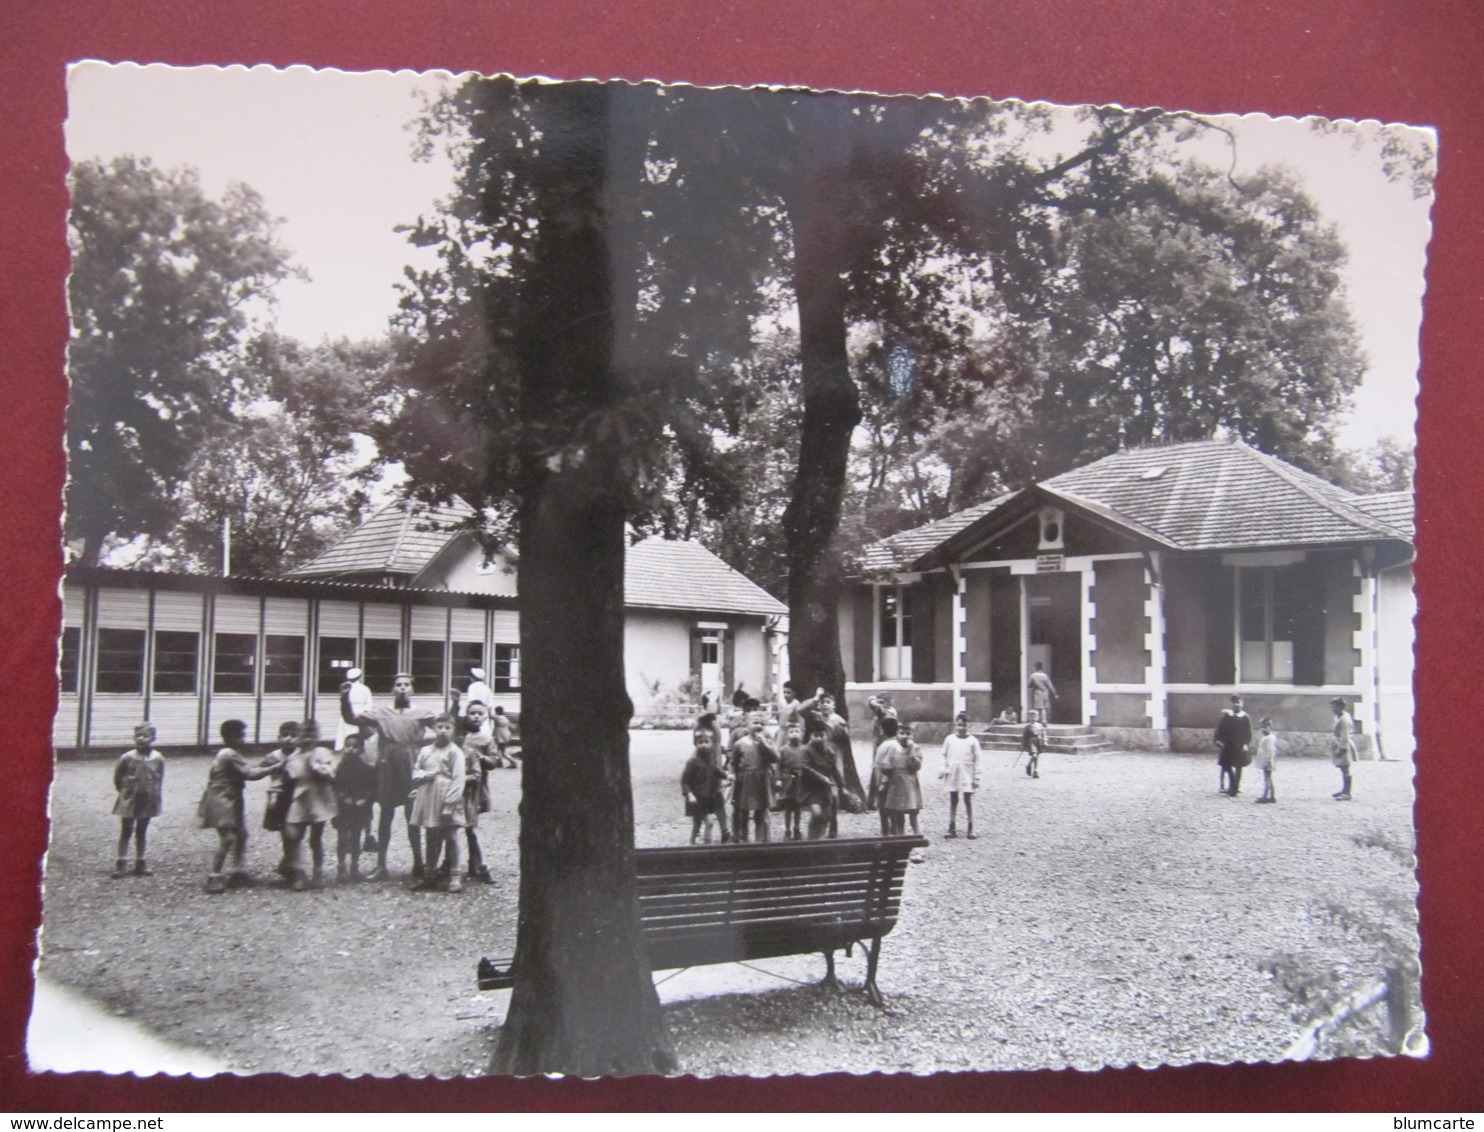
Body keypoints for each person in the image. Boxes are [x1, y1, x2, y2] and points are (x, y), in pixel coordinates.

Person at [342, 672, 437, 880]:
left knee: (413, 817)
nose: (402, 688)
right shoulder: (381, 713)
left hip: (411, 767)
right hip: (387, 767)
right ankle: (381, 865)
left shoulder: (422, 713)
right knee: (385, 815)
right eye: (398, 685)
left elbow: (445, 728)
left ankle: (418, 863)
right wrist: (344, 698)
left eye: (406, 685)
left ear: (412, 689)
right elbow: (351, 718)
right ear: (392, 689)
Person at [197, 718, 276, 892]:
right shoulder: (229, 754)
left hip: (230, 798)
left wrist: (263, 765)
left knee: (241, 834)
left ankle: (238, 871)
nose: (243, 740)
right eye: (240, 736)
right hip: (223, 800)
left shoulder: (227, 754)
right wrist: (274, 768)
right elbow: (250, 774)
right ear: (230, 737)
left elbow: (246, 767)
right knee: (228, 839)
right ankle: (214, 875)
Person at [408, 713, 468, 892]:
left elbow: (458, 779)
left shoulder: (455, 752)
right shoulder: (426, 751)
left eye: (447, 728)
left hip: (446, 796)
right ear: (433, 729)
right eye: (439, 727)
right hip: (429, 795)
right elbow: (416, 770)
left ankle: (455, 876)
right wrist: (423, 776)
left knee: (452, 836)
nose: (443, 731)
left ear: (453, 730)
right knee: (431, 835)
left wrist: (450, 804)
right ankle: (430, 875)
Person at [280, 720, 338, 891]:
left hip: (318, 799)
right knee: (293, 836)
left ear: (317, 736)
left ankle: (318, 872)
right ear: (298, 737)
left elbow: (332, 775)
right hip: (299, 799)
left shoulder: (322, 753)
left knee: (315, 839)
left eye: (312, 735)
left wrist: (320, 768)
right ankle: (299, 872)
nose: (308, 739)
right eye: (304, 735)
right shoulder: (293, 757)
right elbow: (288, 779)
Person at [111, 723, 165, 878]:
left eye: (146, 735)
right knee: (126, 829)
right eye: (138, 735)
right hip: (129, 798)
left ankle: (140, 862)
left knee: (142, 830)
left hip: (147, 800)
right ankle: (121, 862)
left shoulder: (158, 758)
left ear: (153, 738)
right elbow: (118, 778)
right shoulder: (127, 757)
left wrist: (154, 795)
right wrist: (125, 792)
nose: (141, 739)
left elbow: (159, 778)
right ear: (134, 738)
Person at [455, 700, 499, 883]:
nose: (475, 716)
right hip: (459, 786)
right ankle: (458, 863)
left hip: (476, 788)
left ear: (485, 716)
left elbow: (495, 762)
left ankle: (480, 865)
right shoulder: (460, 738)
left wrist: (481, 757)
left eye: (480, 713)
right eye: (472, 713)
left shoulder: (487, 739)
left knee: (472, 827)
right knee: (458, 826)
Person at [331, 730, 378, 882]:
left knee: (356, 839)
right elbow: (336, 787)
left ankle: (355, 867)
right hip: (344, 808)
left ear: (361, 750)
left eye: (355, 747)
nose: (350, 749)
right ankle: (341, 867)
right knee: (342, 838)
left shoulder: (366, 769)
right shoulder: (340, 768)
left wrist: (364, 799)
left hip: (359, 808)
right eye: (348, 746)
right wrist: (344, 798)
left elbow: (372, 788)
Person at [728, 707, 778, 842]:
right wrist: (732, 774)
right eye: (755, 723)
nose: (758, 726)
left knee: (761, 811)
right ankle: (742, 840)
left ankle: (761, 841)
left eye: (762, 723)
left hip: (762, 780)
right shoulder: (740, 743)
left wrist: (765, 744)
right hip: (745, 780)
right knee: (743, 811)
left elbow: (775, 758)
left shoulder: (768, 741)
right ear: (747, 724)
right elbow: (733, 762)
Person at [681, 726, 731, 844]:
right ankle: (703, 846)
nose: (703, 745)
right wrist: (689, 794)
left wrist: (726, 775)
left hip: (708, 797)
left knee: (699, 823)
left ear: (712, 744)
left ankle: (696, 844)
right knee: (707, 822)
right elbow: (685, 780)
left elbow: (716, 771)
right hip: (697, 798)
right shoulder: (692, 761)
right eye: (700, 742)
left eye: (706, 742)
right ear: (695, 744)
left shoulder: (711, 758)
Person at [799, 715, 845, 840]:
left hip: (825, 788)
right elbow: (805, 768)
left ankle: (820, 839)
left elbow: (834, 770)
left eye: (821, 735)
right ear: (810, 736)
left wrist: (842, 786)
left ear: (826, 735)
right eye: (816, 735)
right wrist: (822, 777)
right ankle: (811, 838)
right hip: (810, 788)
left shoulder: (829, 752)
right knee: (817, 813)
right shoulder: (806, 750)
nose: (819, 738)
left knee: (827, 815)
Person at [940, 713, 982, 839]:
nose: (962, 728)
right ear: (955, 725)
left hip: (967, 773)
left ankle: (971, 827)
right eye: (959, 725)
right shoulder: (949, 739)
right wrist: (943, 769)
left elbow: (978, 760)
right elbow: (943, 755)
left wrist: (977, 778)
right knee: (953, 799)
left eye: (964, 725)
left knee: (967, 799)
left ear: (968, 726)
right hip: (953, 772)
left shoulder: (973, 741)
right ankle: (951, 827)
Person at [1214, 694, 1253, 796]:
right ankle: (1232, 784)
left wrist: (1246, 743)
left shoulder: (1245, 717)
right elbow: (1220, 729)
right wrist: (1218, 740)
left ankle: (1235, 788)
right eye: (1234, 702)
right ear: (1231, 704)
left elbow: (1248, 733)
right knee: (1226, 765)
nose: (1236, 704)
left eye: (1238, 702)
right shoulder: (1227, 716)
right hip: (1228, 745)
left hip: (1239, 746)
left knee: (1239, 766)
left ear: (1242, 704)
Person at [776, 720, 808, 840]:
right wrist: (778, 780)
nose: (794, 734)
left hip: (800, 781)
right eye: (791, 732)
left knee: (798, 806)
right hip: (788, 780)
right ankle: (787, 830)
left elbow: (807, 765)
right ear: (787, 734)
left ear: (801, 734)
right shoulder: (783, 750)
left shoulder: (805, 749)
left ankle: (797, 829)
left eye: (796, 732)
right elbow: (778, 766)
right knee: (789, 807)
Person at [335, 667, 374, 750]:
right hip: (360, 712)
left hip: (347, 712)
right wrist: (366, 712)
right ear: (359, 676)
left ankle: (343, 747)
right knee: (358, 730)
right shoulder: (365, 688)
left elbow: (343, 701)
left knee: (345, 731)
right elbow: (368, 702)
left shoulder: (345, 688)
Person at [1330, 697, 1358, 801]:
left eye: (1334, 707)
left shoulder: (1344, 719)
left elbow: (1345, 735)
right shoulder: (1339, 717)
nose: (1332, 709)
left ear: (1340, 707)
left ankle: (1347, 793)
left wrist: (1342, 749)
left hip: (1344, 745)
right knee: (1342, 768)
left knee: (1346, 768)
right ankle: (1344, 789)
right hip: (1339, 743)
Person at [1253, 717, 1279, 804]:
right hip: (1265, 760)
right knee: (1268, 778)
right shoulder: (1267, 737)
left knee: (1267, 778)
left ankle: (1266, 796)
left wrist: (1268, 761)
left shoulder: (1270, 738)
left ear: (1270, 728)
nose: (1263, 729)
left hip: (1267, 761)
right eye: (1262, 727)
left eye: (1265, 727)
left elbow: (1270, 750)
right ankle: (1272, 796)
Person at [1022, 710, 1047, 779]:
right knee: (1034, 755)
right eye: (1031, 716)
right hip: (1031, 742)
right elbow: (1024, 736)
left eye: (1035, 716)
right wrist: (1024, 743)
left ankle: (1036, 770)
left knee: (1037, 756)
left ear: (1038, 717)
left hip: (1039, 742)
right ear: (1029, 717)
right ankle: (1028, 765)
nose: (1033, 718)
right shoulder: (1027, 726)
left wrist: (1045, 741)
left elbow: (1044, 734)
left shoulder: (1040, 726)